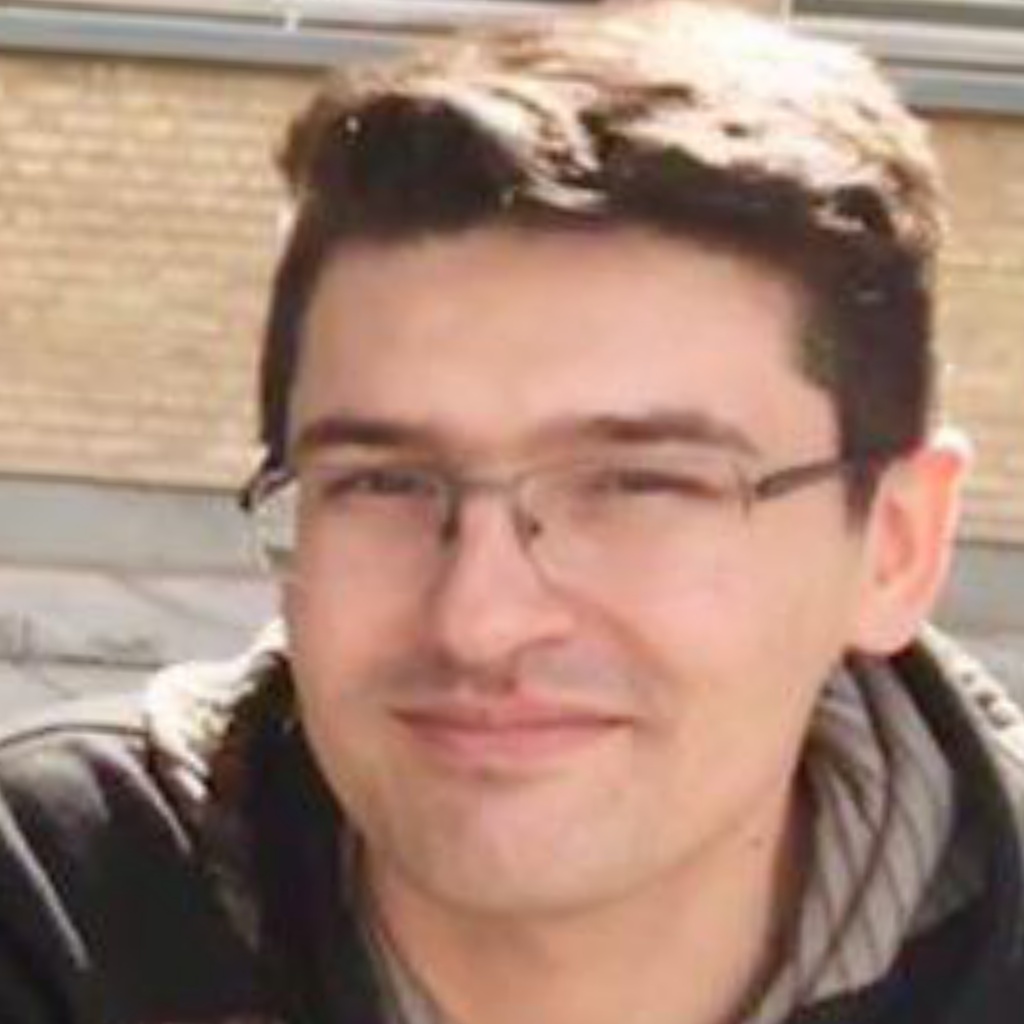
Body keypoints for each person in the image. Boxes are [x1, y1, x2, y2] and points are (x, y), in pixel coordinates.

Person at [2, 2, 1023, 1022]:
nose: (479, 621)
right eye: (384, 483)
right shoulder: (55, 911)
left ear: (895, 546)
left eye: (636, 486)